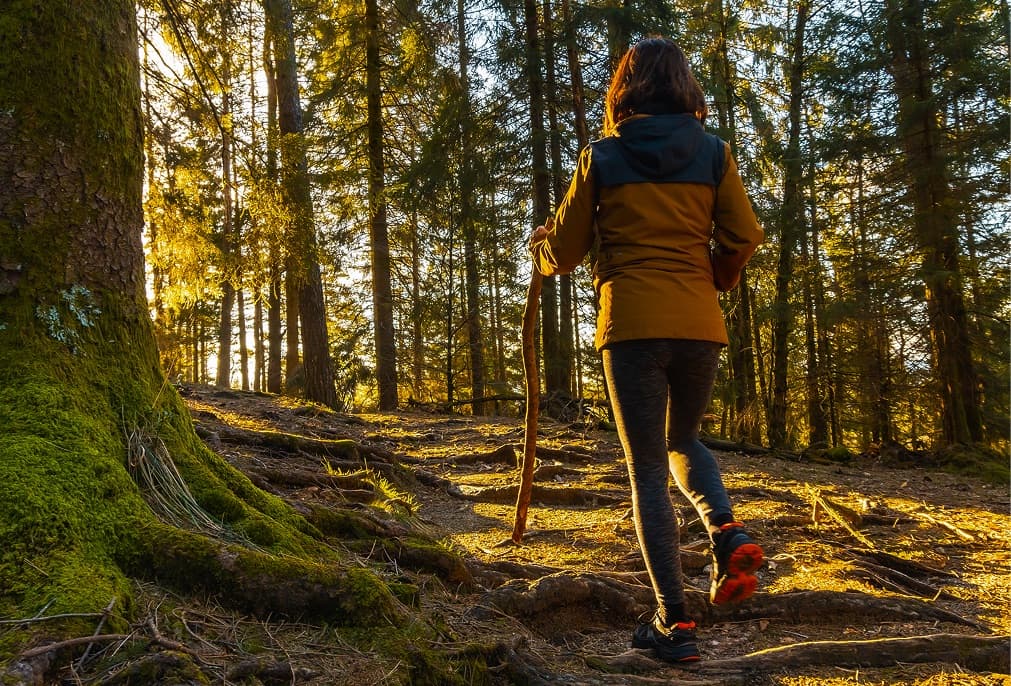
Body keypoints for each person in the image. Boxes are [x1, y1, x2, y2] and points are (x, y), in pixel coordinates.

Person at [528, 37, 764, 664]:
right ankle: (727, 530)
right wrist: (715, 276)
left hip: (632, 325)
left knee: (647, 474)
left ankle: (675, 626)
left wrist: (541, 249)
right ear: (684, 86)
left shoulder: (603, 157)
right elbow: (743, 235)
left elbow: (567, 253)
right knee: (683, 442)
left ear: (625, 89)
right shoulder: (713, 153)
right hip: (699, 324)